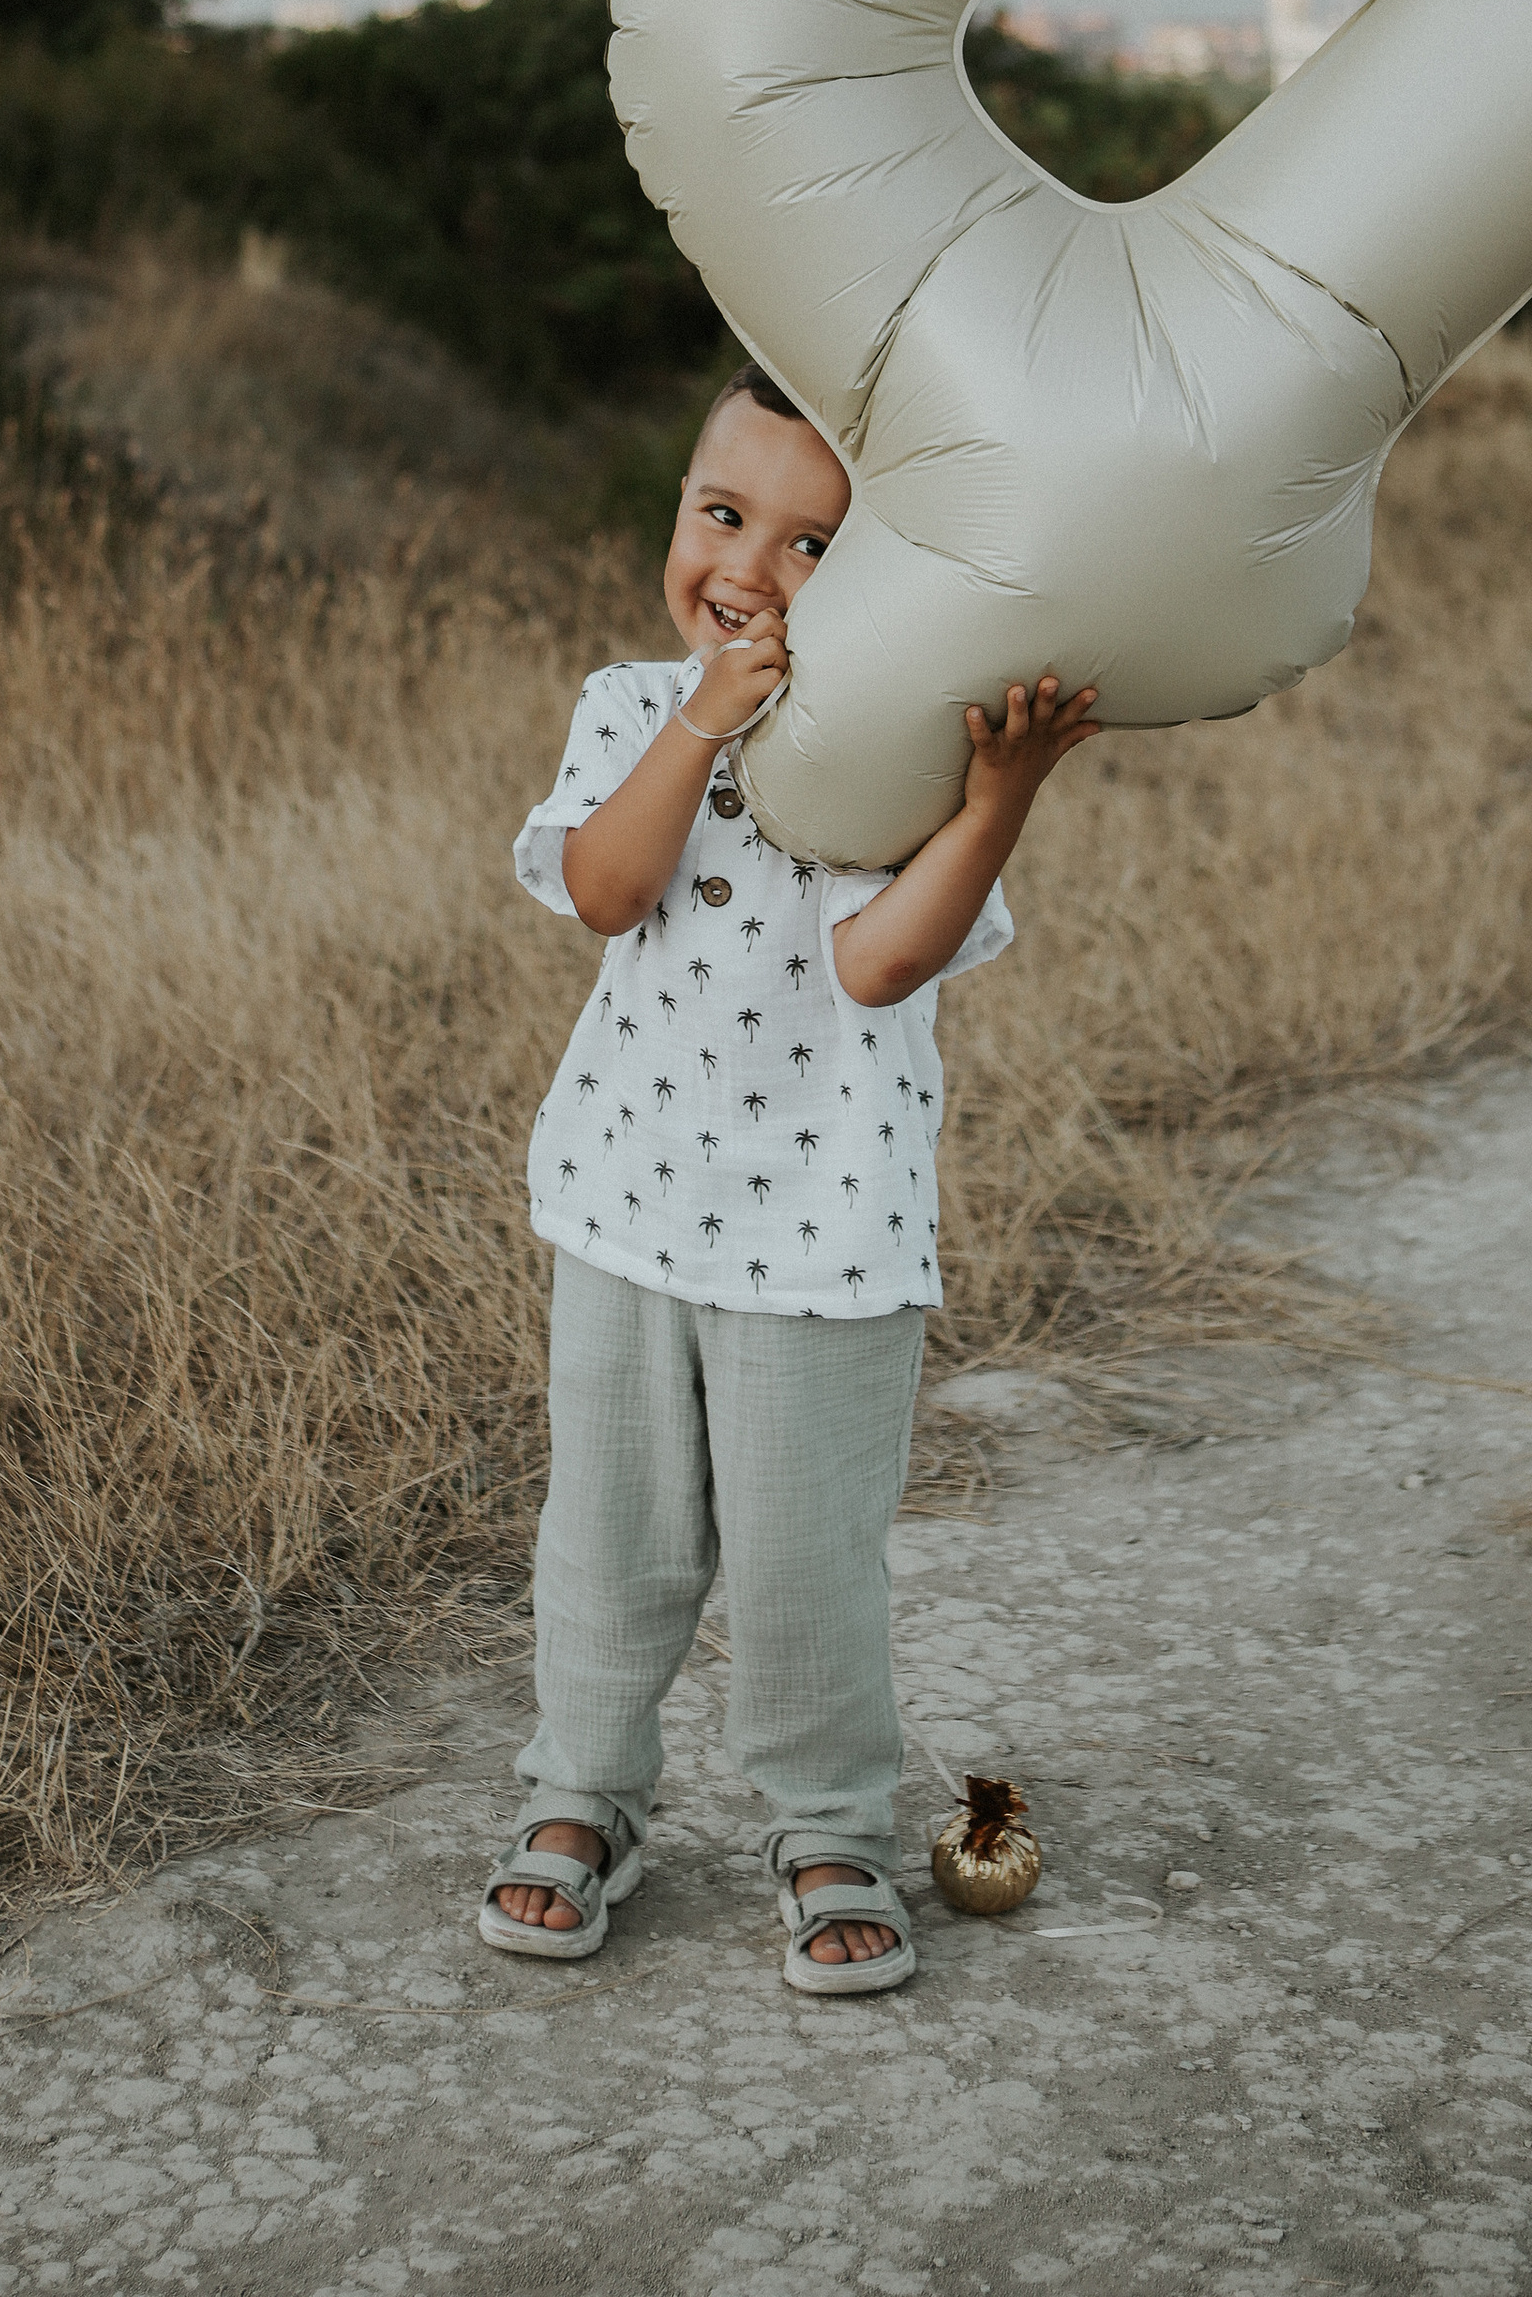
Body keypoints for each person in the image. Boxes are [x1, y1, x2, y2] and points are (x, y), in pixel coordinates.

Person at [481, 363, 1098, 1995]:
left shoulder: (898, 760)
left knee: (804, 1553)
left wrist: (998, 801)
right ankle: (583, 1797)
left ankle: (828, 1822)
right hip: (627, 1208)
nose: (747, 568)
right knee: (609, 1536)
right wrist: (706, 718)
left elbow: (884, 965)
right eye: (722, 512)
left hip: (827, 1232)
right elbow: (610, 890)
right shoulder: (632, 703)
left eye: (815, 544)